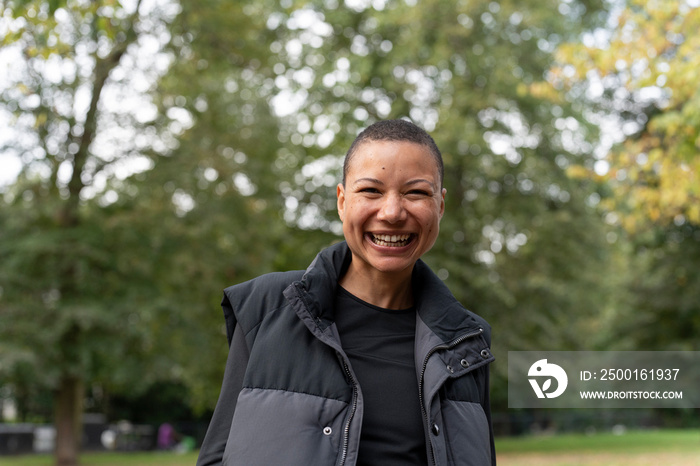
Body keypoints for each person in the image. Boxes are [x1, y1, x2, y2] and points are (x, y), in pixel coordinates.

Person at [197, 119, 495, 466]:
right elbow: (217, 455)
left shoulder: (468, 340)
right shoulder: (266, 309)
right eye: (371, 191)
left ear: (440, 206)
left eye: (416, 193)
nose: (392, 212)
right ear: (342, 201)